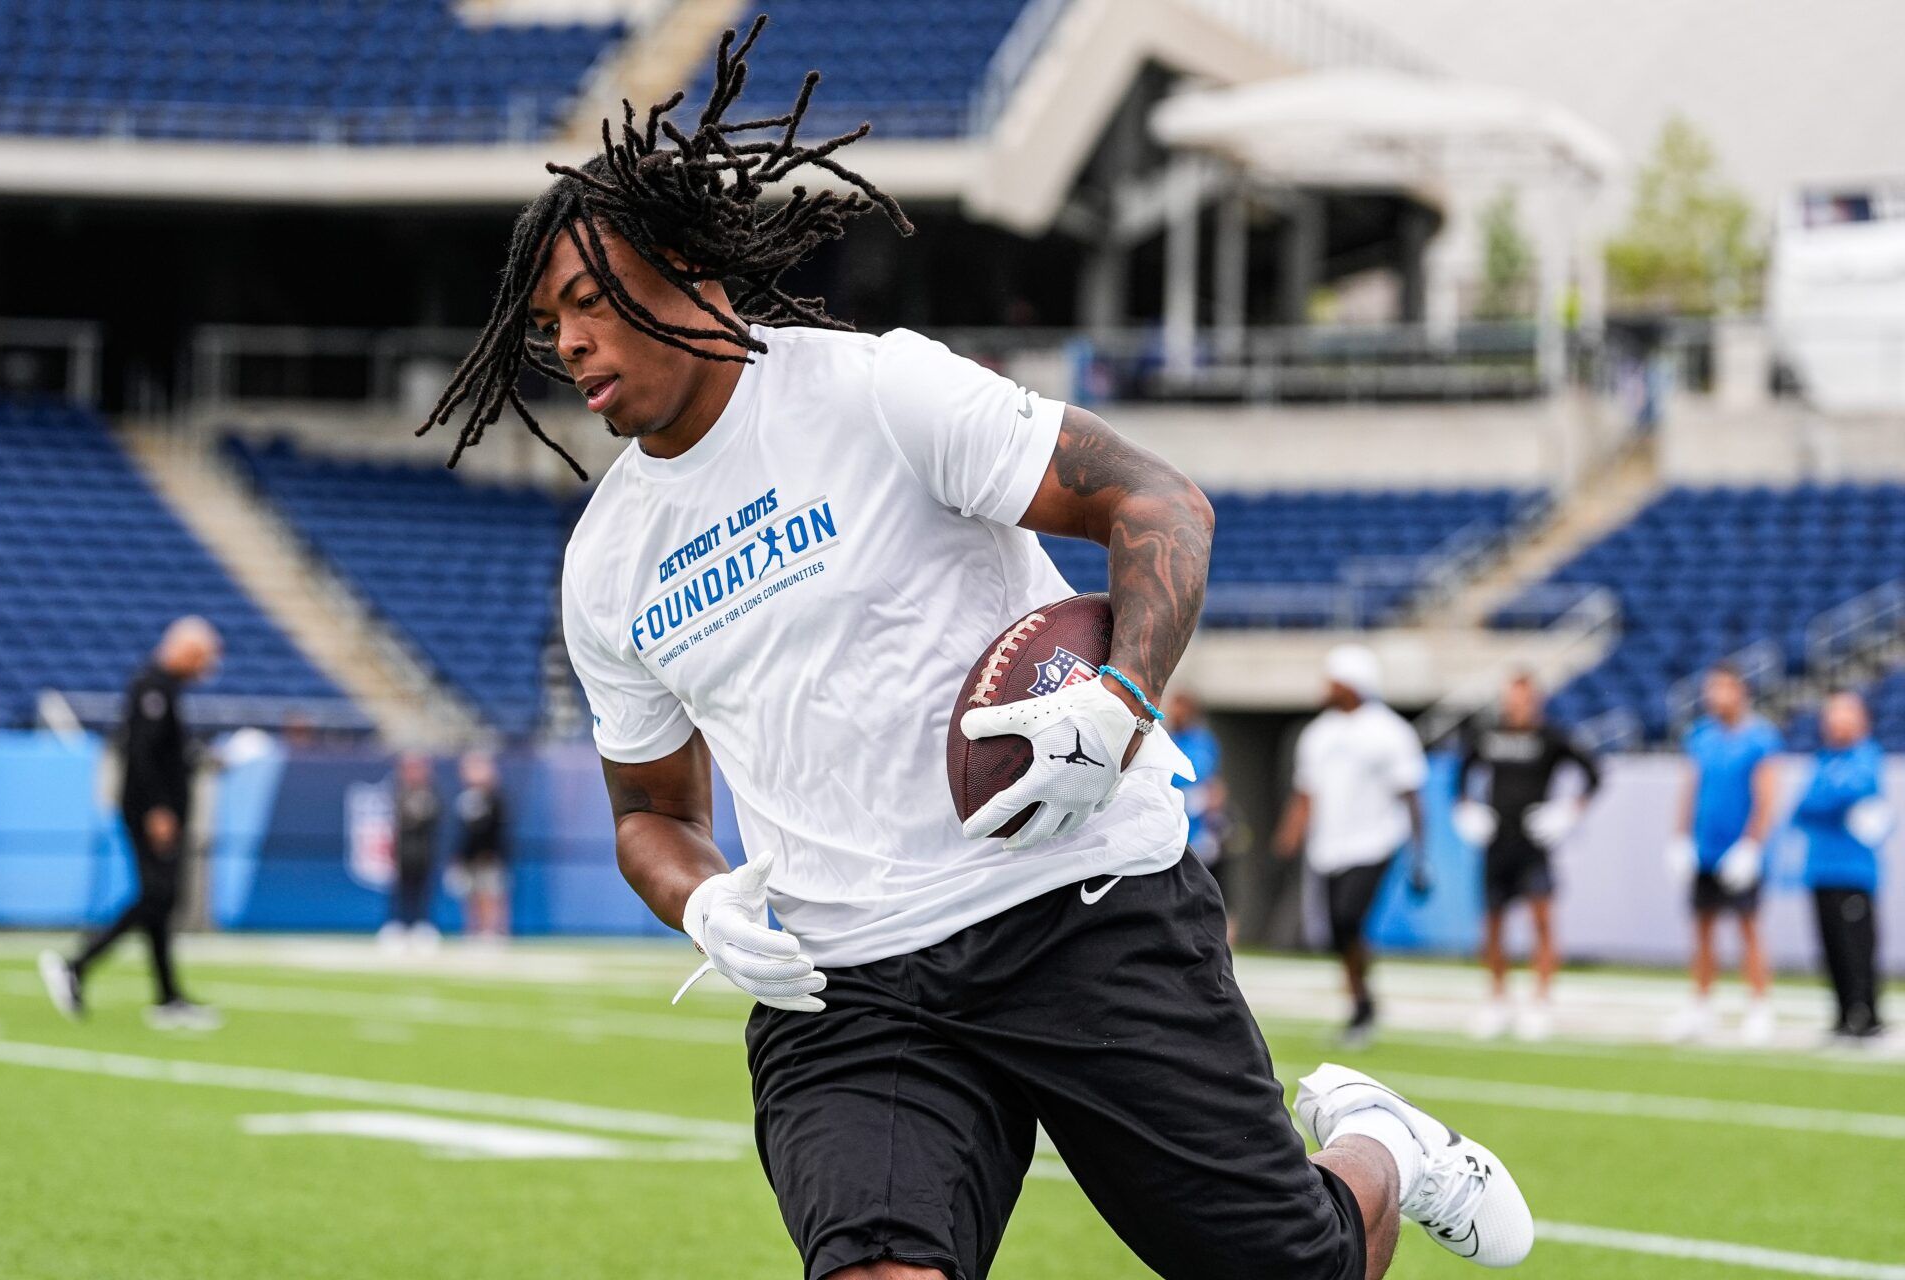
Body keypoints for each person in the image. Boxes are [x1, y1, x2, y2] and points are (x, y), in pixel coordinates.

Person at [424, 22, 1533, 1279]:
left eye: (587, 300)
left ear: (687, 264)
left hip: (1075, 901)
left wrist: (1118, 702)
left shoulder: (876, 392)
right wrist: (704, 898)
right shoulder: (606, 558)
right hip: (849, 979)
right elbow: (650, 810)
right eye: (548, 321)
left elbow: (1161, 504)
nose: (567, 342)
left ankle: (1380, 1146)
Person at [39, 616, 223, 1030]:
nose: (207, 667)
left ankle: (167, 997)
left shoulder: (165, 688)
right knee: (158, 895)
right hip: (150, 811)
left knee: (161, 902)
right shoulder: (152, 686)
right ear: (186, 651)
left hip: (159, 810)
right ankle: (77, 964)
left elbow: (165, 753)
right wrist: (158, 808)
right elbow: (140, 753)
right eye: (203, 658)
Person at [1273, 646, 1429, 1050]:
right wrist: (1289, 836)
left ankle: (1362, 1007)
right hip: (1329, 846)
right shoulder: (1317, 733)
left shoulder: (1390, 731)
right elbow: (1306, 793)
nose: (1326, 687)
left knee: (1347, 917)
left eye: (1334, 681)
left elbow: (1411, 794)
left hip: (1376, 841)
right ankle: (1362, 999)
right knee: (1337, 933)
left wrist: (1419, 855)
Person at [1454, 673, 1601, 1041]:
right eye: (1512, 698)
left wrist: (1569, 811)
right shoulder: (1489, 735)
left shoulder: (1551, 737)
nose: (1516, 705)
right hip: (1497, 843)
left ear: (1536, 701)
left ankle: (1540, 1001)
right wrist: (1466, 808)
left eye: (1523, 698)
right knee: (1493, 923)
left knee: (1542, 921)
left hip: (1534, 845)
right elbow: (1461, 773)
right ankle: (1496, 999)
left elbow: (1594, 773)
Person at [1665, 664, 1783, 1045]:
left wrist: (1752, 845)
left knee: (1748, 929)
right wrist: (1680, 837)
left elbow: (1767, 797)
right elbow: (1690, 790)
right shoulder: (1700, 735)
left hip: (1739, 852)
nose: (1715, 697)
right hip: (1705, 850)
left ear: (1741, 691)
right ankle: (1700, 1005)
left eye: (1723, 688)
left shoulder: (1760, 737)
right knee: (1702, 929)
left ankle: (1759, 1006)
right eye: (1711, 689)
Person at [1791, 692, 1887, 1041]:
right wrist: (1831, 804)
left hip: (1853, 872)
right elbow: (1804, 808)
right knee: (1830, 946)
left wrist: (1828, 802)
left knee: (1857, 946)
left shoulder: (1867, 756)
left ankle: (1867, 1014)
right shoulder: (1823, 759)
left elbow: (1846, 795)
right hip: (1821, 869)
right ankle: (1843, 1012)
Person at [1166, 690, 1232, 917]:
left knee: (1208, 887)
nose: (1175, 713)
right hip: (1173, 826)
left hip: (1201, 831)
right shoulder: (1167, 740)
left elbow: (1211, 783)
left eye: (1180, 707)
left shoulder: (1203, 741)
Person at [382, 752, 441, 951]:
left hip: (422, 853)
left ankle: (421, 928)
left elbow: (426, 820)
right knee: (400, 893)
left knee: (422, 893)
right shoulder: (399, 793)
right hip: (402, 854)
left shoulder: (429, 794)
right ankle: (398, 927)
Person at [453, 750, 510, 940]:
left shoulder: (495, 798)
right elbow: (461, 832)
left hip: (489, 855)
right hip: (469, 856)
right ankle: (473, 930)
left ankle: (492, 930)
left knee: (491, 893)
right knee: (470, 894)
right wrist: (459, 855)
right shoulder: (464, 797)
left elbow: (499, 829)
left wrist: (493, 852)